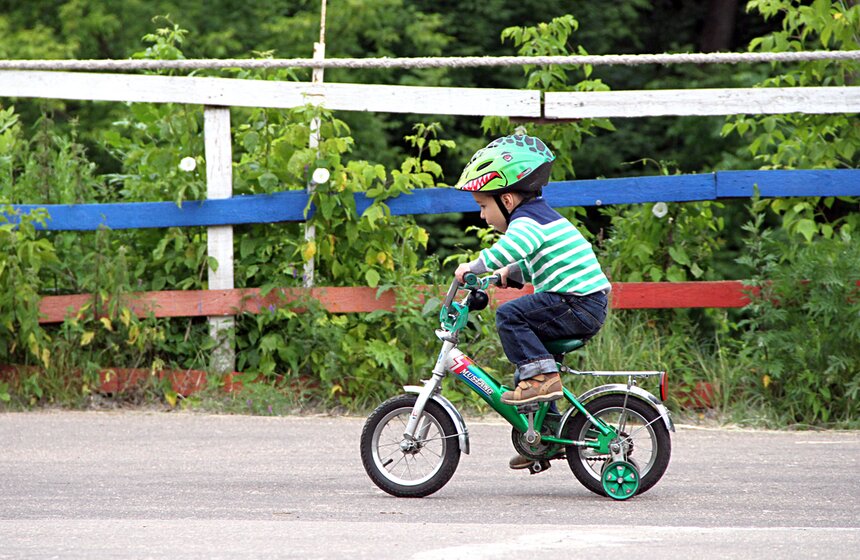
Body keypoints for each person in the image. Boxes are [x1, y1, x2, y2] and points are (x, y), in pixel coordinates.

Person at [452, 134, 612, 469]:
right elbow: (531, 263)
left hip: (576, 303)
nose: (482, 216)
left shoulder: (528, 221)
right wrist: (501, 277)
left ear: (507, 200)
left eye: (483, 206)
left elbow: (513, 249)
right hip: (579, 302)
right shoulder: (540, 219)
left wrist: (475, 267)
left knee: (511, 317)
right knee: (530, 367)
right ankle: (545, 435)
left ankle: (542, 382)